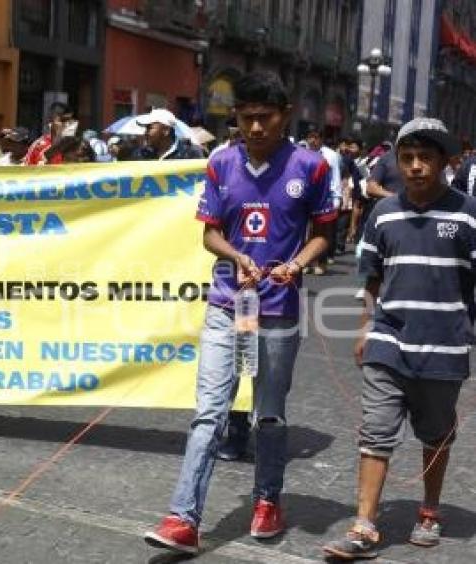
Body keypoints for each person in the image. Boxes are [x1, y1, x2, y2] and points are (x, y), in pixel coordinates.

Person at [144, 72, 336, 554]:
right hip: (228, 306)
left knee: (268, 415)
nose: (254, 128)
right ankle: (182, 517)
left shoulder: (311, 167)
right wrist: (235, 256)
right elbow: (208, 233)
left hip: (278, 311)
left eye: (264, 118)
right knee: (209, 412)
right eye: (246, 118)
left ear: (285, 114)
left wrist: (295, 264)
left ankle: (268, 499)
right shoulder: (220, 162)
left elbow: (323, 235)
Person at [322, 118, 471, 560]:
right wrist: (366, 326)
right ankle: (364, 524)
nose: (416, 167)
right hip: (388, 341)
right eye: (407, 159)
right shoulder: (383, 215)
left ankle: (428, 511)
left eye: (426, 158)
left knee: (437, 434)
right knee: (375, 432)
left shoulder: (468, 213)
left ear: (445, 162)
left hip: (444, 347)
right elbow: (370, 275)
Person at [304, 128, 342, 274]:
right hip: (306, 197)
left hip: (325, 198)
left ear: (321, 140)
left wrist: (337, 199)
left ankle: (320, 262)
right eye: (310, 137)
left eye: (316, 137)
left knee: (321, 232)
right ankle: (306, 262)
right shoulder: (301, 154)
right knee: (306, 232)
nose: (313, 141)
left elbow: (336, 177)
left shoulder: (331, 156)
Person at [134, 108, 204, 160]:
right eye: (146, 128)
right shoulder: (141, 154)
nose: (145, 133)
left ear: (166, 130)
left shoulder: (190, 153)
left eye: (150, 128)